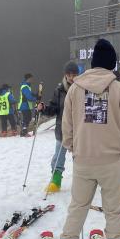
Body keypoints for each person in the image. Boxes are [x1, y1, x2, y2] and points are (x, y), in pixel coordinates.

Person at [53, 39, 120, 239]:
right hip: (113, 161)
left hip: (84, 160)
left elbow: (66, 125)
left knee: (78, 208)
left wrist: (73, 147)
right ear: (112, 64)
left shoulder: (75, 90)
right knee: (113, 211)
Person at [37, 61, 79, 193]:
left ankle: (83, 181)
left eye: (74, 74)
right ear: (65, 75)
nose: (72, 77)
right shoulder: (59, 90)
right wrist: (44, 108)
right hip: (63, 130)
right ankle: (56, 180)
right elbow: (53, 108)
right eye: (69, 75)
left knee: (80, 157)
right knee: (58, 156)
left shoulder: (83, 89)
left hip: (79, 131)